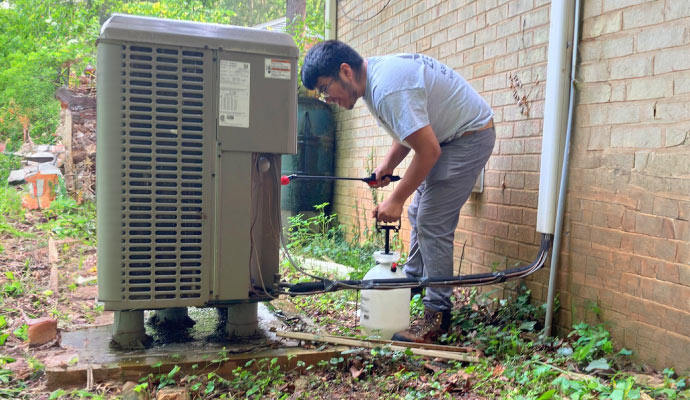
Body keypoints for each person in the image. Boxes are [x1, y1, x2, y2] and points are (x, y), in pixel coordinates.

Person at [301, 40, 496, 343]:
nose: (328, 99)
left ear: (345, 71)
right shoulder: (375, 82)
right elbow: (411, 131)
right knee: (421, 212)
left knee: (432, 220)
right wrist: (386, 167)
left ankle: (437, 318)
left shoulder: (387, 88)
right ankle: (413, 284)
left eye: (326, 89)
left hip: (468, 137)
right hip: (450, 137)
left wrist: (395, 199)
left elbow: (428, 150)